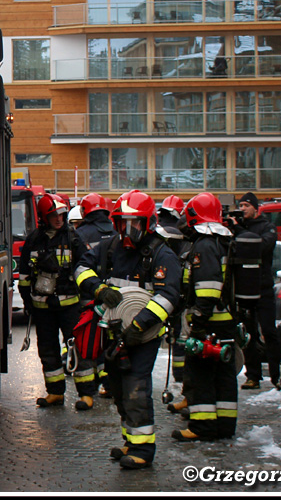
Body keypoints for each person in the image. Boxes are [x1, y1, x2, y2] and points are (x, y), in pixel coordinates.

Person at [74, 190, 183, 470]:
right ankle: (130, 440)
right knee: (119, 389)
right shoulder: (110, 247)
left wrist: (140, 324)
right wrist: (97, 288)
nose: (128, 230)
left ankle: (143, 450)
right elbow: (81, 268)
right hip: (113, 331)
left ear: (148, 223)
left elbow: (168, 296)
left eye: (134, 224)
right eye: (123, 223)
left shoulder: (161, 254)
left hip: (143, 336)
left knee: (136, 386)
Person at [18, 193, 94, 410]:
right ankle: (55, 393)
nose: (59, 219)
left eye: (61, 214)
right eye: (54, 216)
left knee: (78, 348)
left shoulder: (73, 238)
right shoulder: (34, 240)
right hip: (43, 309)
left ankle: (86, 394)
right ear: (44, 217)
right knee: (48, 350)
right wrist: (28, 302)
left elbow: (87, 266)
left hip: (70, 306)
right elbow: (24, 277)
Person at [171, 193, 237, 441]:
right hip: (227, 322)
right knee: (224, 377)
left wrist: (197, 323)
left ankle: (203, 427)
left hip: (208, 324)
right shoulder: (225, 240)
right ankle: (225, 426)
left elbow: (208, 289)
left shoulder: (204, 244)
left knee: (201, 375)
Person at [227, 192, 280, 390]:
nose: (242, 209)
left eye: (246, 206)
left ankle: (277, 376)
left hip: (263, 287)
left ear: (255, 208)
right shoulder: (238, 228)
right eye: (240, 206)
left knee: (269, 332)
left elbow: (262, 246)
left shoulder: (267, 227)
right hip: (244, 289)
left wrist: (239, 229)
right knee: (248, 334)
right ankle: (253, 376)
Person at [74, 192, 116, 398]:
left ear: (84, 211)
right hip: (116, 299)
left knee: (88, 342)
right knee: (111, 341)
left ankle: (87, 391)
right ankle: (109, 384)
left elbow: (77, 267)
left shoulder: (80, 234)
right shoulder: (117, 231)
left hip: (88, 297)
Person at [156, 195, 190, 390]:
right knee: (180, 335)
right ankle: (180, 375)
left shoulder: (157, 231)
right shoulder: (184, 233)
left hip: (160, 293)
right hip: (181, 295)